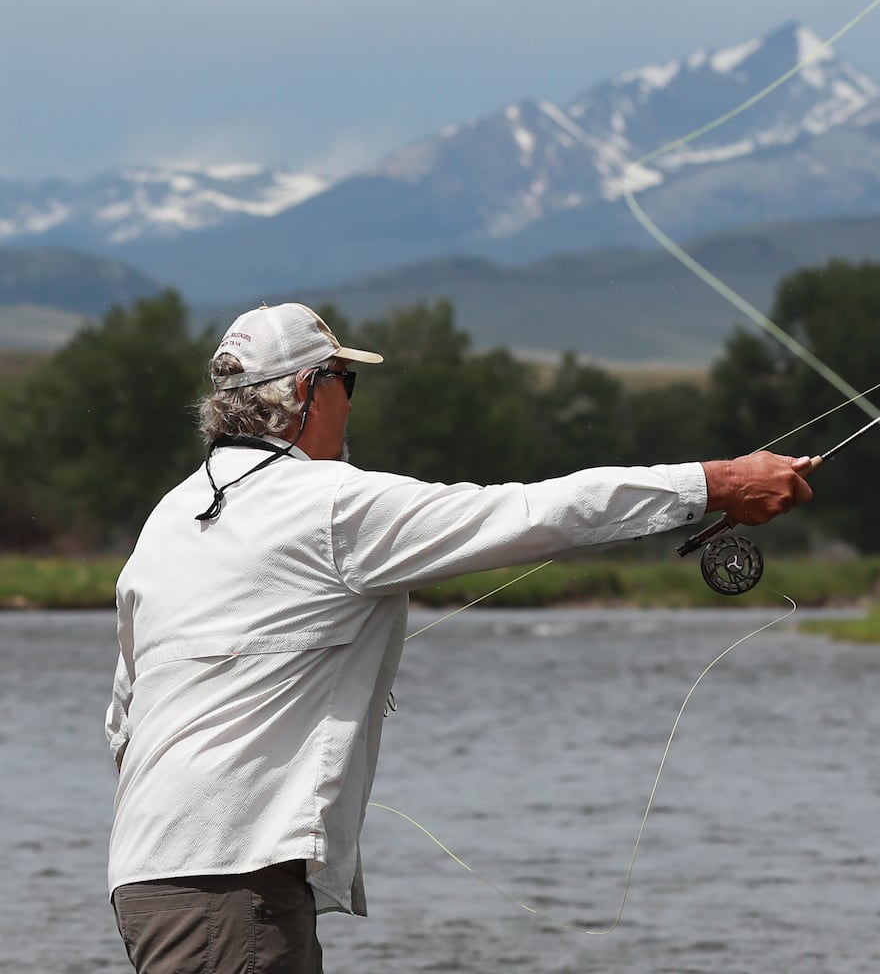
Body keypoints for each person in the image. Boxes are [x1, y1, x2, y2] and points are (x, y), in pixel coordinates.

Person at [105, 302, 814, 973]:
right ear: (307, 389)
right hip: (234, 883)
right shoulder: (327, 504)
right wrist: (714, 484)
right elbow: (534, 513)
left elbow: (121, 720)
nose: (351, 399)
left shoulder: (168, 519)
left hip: (148, 878)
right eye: (346, 380)